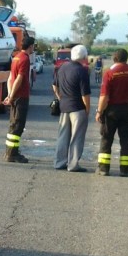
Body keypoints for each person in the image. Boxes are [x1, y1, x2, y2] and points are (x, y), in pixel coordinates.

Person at [53, 44, 91, 172]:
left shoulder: (62, 67)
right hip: (78, 108)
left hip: (64, 107)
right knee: (77, 137)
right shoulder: (82, 71)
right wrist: (87, 109)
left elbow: (54, 86)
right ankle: (73, 164)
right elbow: (85, 94)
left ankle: (60, 162)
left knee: (63, 135)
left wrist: (60, 98)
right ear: (84, 57)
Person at [2, 36, 35, 163]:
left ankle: (9, 152)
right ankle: (12, 154)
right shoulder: (25, 59)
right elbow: (19, 79)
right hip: (21, 97)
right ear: (31, 46)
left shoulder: (15, 58)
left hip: (15, 96)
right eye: (33, 46)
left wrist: (10, 95)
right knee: (18, 125)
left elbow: (10, 78)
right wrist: (12, 96)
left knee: (13, 124)